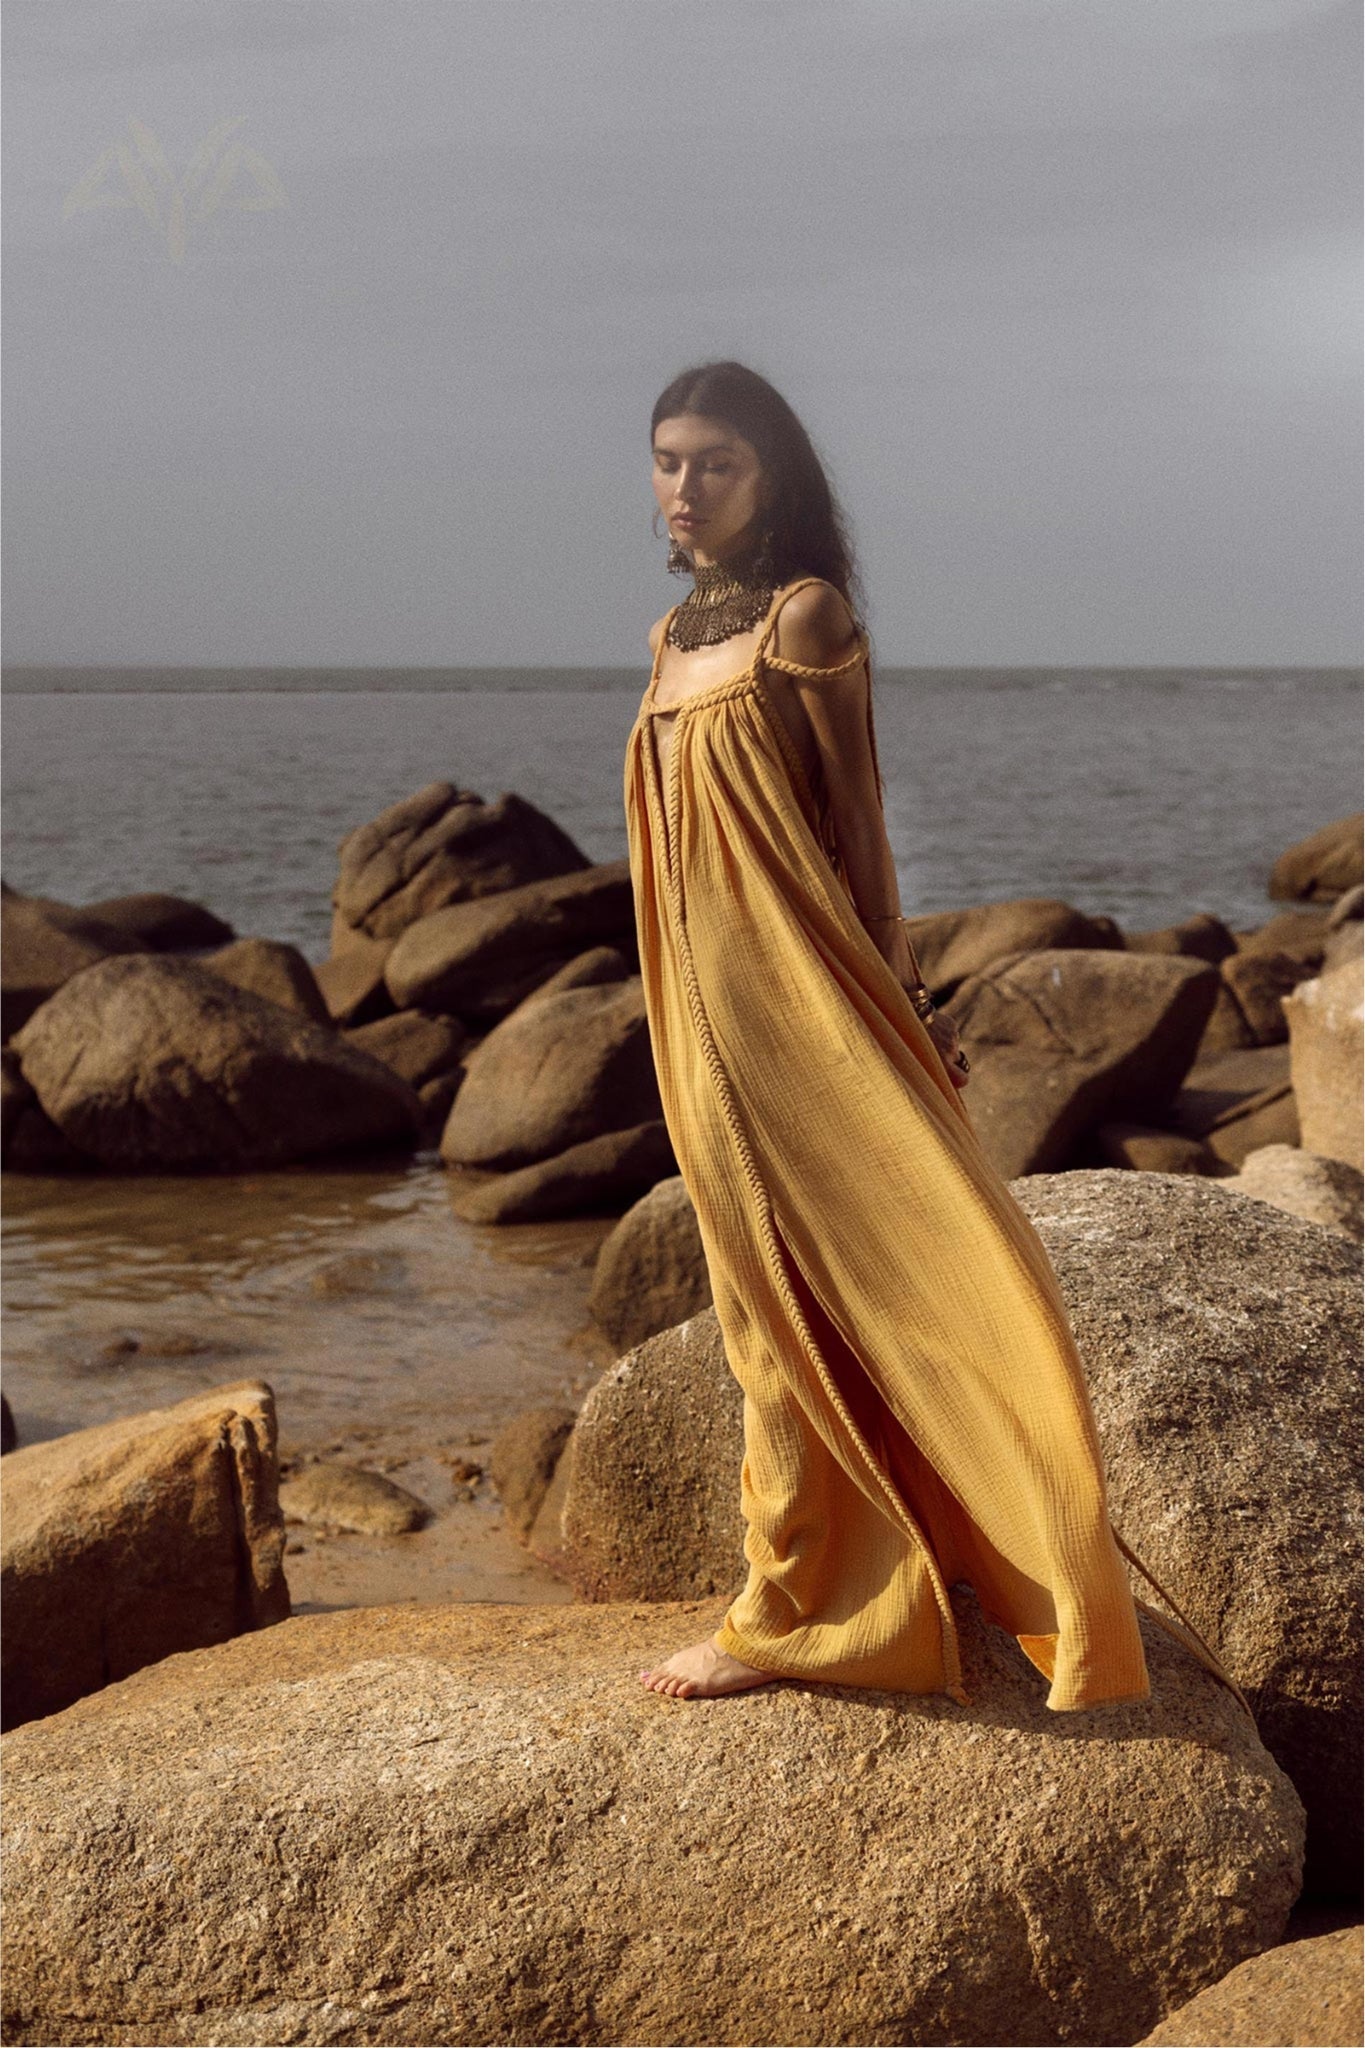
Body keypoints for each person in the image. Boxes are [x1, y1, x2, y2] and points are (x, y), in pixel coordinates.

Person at [625, 360, 1253, 1722]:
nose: (682, 487)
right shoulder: (675, 636)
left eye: (713, 462)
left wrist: (901, 1006)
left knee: (891, 1275)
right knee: (756, 1304)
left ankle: (799, 1608)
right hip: (698, 1012)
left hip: (803, 1010)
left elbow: (855, 827)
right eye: (668, 461)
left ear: (771, 476)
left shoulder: (805, 616)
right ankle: (866, 1577)